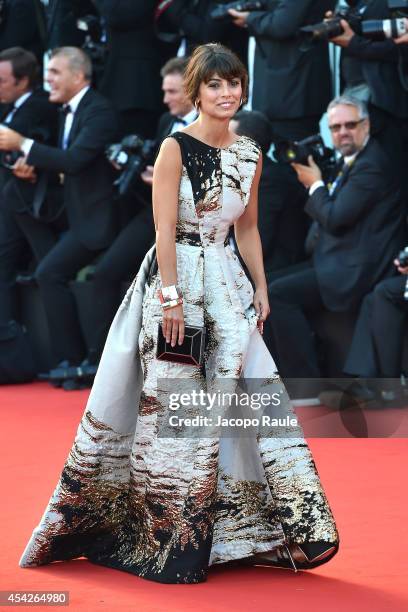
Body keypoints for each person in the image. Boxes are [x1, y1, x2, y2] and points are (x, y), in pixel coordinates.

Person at [18, 44, 339, 584]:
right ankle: (168, 531)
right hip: (177, 282)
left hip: (228, 285)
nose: (227, 93)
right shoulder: (176, 147)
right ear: (196, 91)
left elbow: (249, 229)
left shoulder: (249, 152)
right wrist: (171, 299)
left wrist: (260, 287)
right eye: (215, 84)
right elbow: (164, 230)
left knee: (254, 395)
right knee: (178, 411)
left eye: (234, 83)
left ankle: (255, 527)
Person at [0, 46, 119, 388]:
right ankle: (70, 361)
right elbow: (61, 162)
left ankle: (77, 362)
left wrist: (23, 144)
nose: (47, 79)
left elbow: (75, 161)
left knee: (49, 272)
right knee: (47, 269)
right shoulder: (63, 110)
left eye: (54, 72)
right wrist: (31, 169)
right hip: (71, 215)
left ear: (78, 76)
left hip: (97, 221)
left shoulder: (99, 111)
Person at [268, 95, 406, 378]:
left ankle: (305, 382)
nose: (343, 132)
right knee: (266, 285)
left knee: (277, 295)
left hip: (356, 268)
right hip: (335, 258)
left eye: (350, 125)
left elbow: (335, 217)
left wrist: (314, 183)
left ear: (366, 125)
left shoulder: (372, 164)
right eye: (335, 127)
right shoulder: (352, 160)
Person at [0, 47, 60, 327]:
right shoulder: (10, 105)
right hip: (13, 202)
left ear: (22, 81)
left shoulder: (39, 105)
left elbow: (34, 151)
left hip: (31, 202)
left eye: (2, 80)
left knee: (45, 266)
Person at [229, 0, 336, 141]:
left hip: (294, 94)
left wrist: (250, 18)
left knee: (296, 154)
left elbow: (283, 24)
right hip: (281, 92)